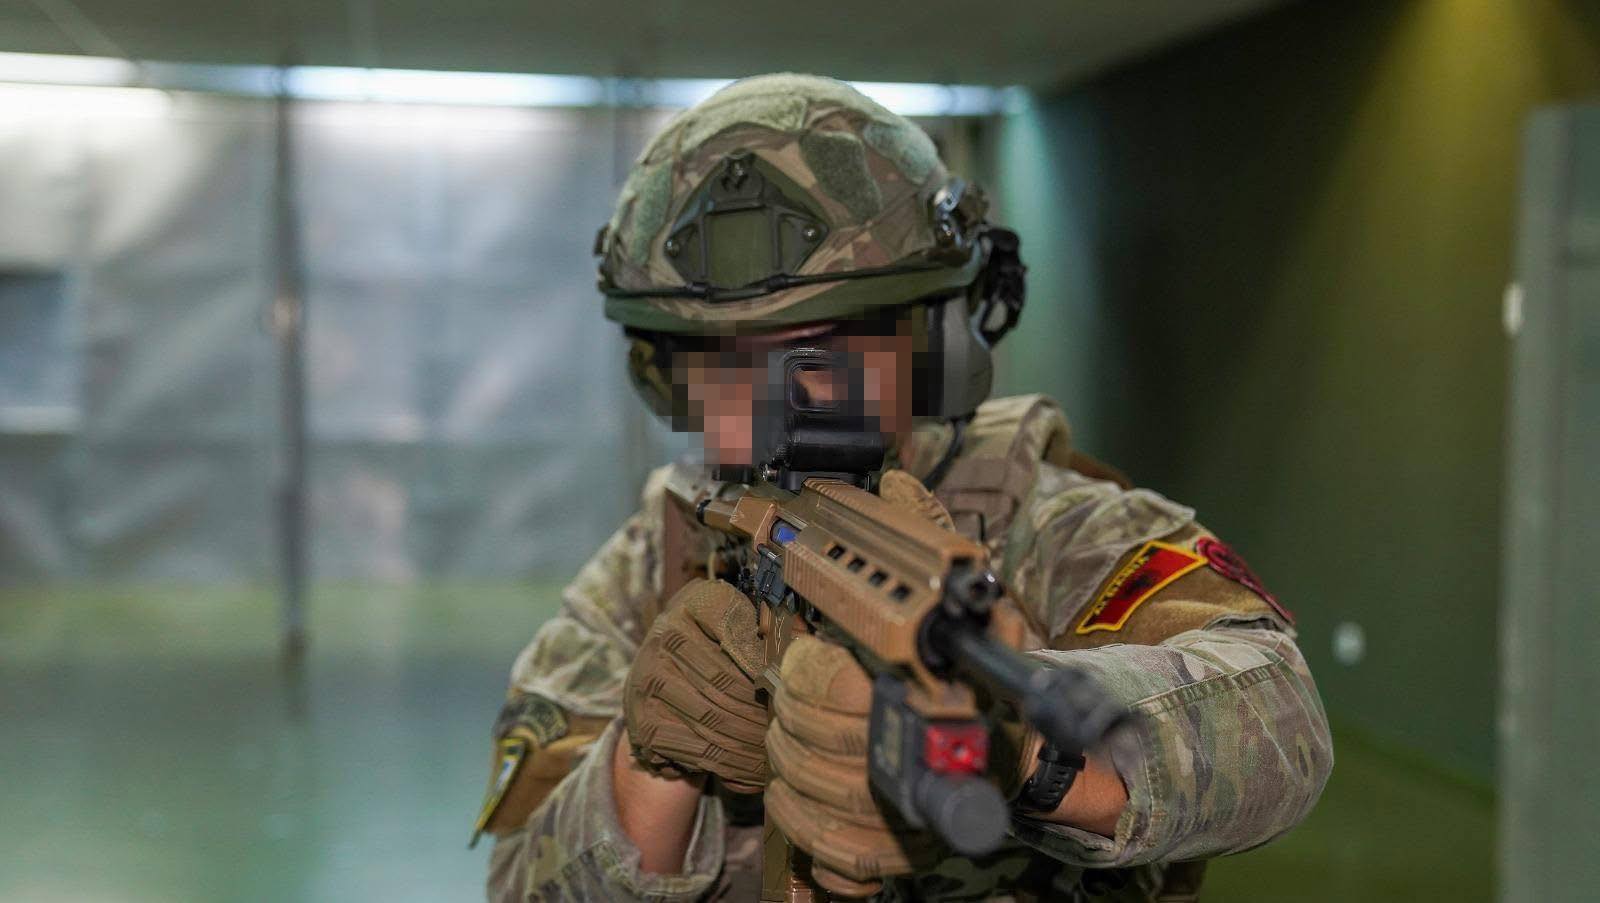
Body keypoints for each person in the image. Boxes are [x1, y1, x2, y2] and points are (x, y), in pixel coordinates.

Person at [473, 74, 1332, 902]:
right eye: (721, 363)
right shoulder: (658, 556)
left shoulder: (1047, 518)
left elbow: (1281, 724)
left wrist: (1013, 746)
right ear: (663, 378)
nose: (774, 404)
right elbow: (518, 881)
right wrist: (651, 761)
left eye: (819, 350)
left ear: (934, 342)